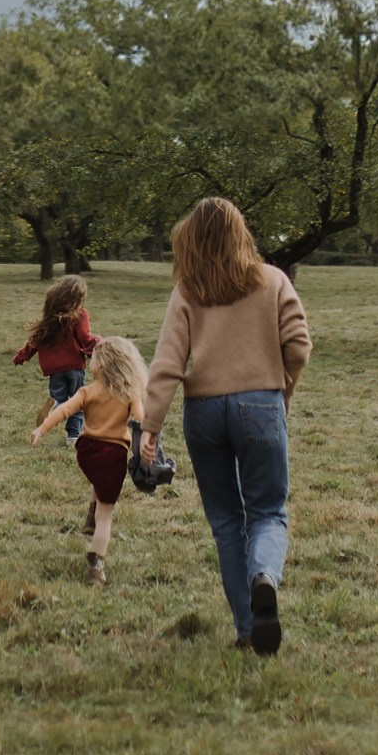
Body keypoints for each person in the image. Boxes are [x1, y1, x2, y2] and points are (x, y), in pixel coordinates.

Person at [139, 197, 311, 654]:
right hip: (261, 405)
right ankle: (265, 577)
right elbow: (299, 344)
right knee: (268, 510)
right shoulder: (273, 280)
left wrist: (150, 427)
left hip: (205, 413)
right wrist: (283, 390)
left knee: (226, 521)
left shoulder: (188, 290)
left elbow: (167, 364)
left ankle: (247, 629)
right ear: (243, 234)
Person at [31, 335, 147, 585]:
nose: (88, 361)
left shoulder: (88, 391)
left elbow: (62, 410)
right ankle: (96, 566)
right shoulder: (130, 393)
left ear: (103, 363)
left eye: (92, 358)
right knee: (106, 516)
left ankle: (90, 514)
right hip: (114, 455)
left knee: (99, 479)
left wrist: (41, 430)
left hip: (87, 452)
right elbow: (140, 421)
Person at [11, 274, 99, 444]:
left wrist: (21, 357)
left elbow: (35, 342)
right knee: (77, 401)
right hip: (74, 366)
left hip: (54, 369)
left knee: (59, 398)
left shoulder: (50, 319)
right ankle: (73, 436)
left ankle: (55, 407)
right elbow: (84, 336)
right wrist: (97, 346)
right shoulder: (80, 315)